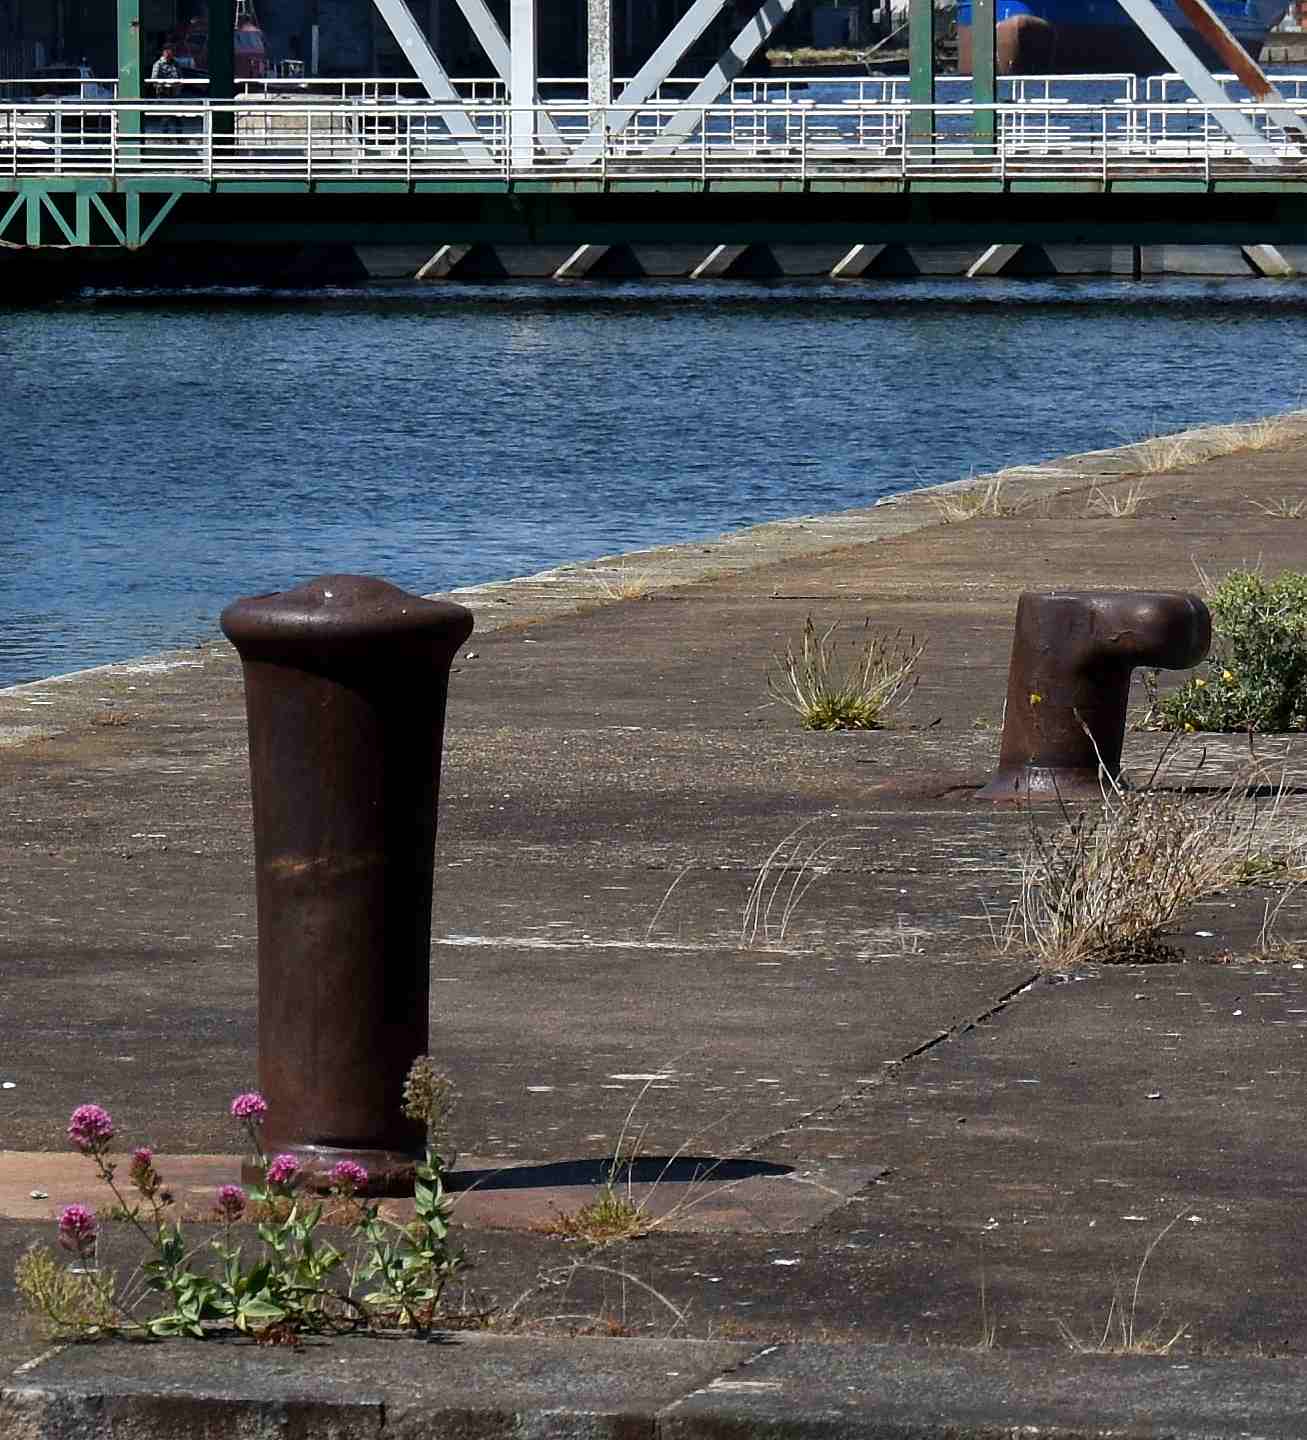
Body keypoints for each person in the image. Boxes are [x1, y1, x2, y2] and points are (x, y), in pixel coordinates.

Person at [149, 45, 183, 134]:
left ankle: (179, 137)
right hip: (164, 94)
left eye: (171, 51)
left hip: (175, 94)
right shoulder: (158, 64)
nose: (169, 54)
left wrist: (178, 85)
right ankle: (165, 137)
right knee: (166, 117)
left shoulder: (176, 63)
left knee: (178, 116)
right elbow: (154, 80)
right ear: (163, 53)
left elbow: (180, 77)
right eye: (167, 51)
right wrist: (163, 85)